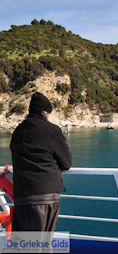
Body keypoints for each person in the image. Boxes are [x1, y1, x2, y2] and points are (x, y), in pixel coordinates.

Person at [10, 92, 72, 232]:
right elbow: (67, 162)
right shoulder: (52, 130)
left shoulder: (18, 131)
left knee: (24, 245)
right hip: (46, 195)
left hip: (22, 196)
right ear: (45, 113)